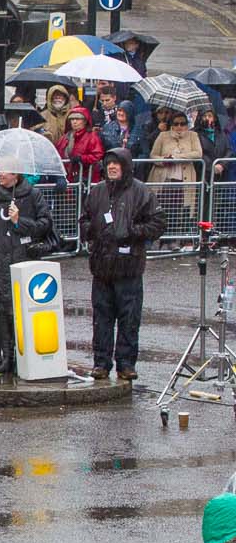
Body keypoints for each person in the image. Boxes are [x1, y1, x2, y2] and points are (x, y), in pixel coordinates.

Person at [80, 148, 164, 381]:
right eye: (109, 164)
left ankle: (126, 364)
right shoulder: (97, 192)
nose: (112, 168)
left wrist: (133, 232)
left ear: (125, 166)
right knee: (102, 317)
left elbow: (158, 223)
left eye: (116, 164)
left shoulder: (141, 192)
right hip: (102, 267)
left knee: (129, 318)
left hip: (129, 267)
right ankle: (101, 363)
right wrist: (91, 231)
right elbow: (84, 218)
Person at [0, 171, 58, 379]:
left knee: (23, 312)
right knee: (4, 312)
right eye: (0, 170)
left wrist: (20, 221)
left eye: (6, 171)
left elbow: (45, 224)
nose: (0, 174)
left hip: (24, 260)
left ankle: (25, 356)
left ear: (17, 174)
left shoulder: (34, 195)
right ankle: (7, 358)